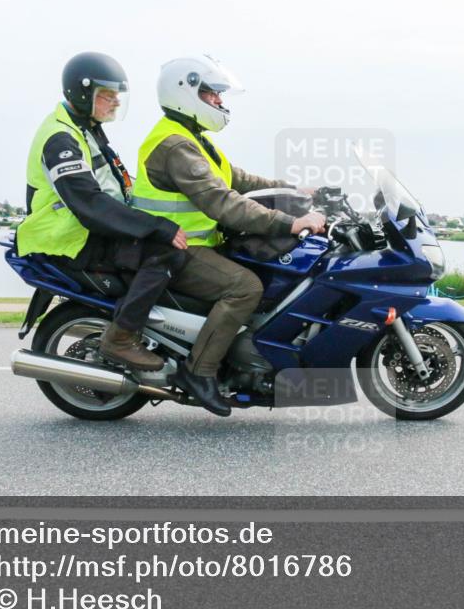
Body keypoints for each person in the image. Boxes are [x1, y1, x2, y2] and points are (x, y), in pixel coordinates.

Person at [132, 54, 326, 416]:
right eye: (212, 94)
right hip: (174, 249)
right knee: (246, 287)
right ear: (185, 93)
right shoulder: (175, 145)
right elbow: (223, 202)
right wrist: (289, 222)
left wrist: (297, 190)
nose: (219, 101)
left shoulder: (191, 137)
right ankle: (198, 371)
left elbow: (237, 178)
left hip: (190, 243)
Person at [17, 52, 188, 371]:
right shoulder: (60, 137)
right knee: (165, 252)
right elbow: (89, 204)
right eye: (107, 95)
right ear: (83, 94)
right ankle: (122, 337)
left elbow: (114, 183)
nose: (116, 103)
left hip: (85, 232)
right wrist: (156, 226)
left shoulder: (84, 127)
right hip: (69, 240)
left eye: (117, 95)